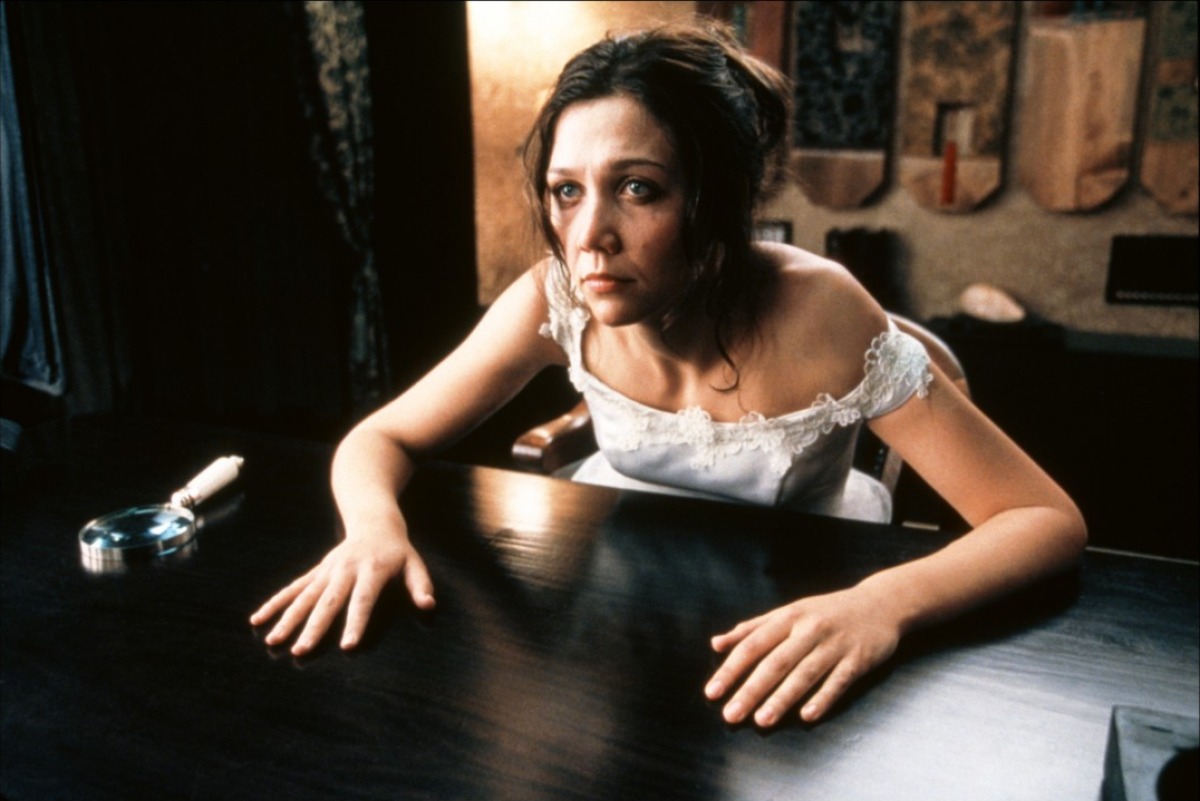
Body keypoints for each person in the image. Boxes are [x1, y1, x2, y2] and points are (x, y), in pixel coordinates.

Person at [250, 21, 1086, 729]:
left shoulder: (826, 314)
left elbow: (1043, 517)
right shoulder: (555, 297)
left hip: (798, 596)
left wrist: (880, 604)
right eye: (566, 191)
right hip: (620, 608)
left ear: (716, 198)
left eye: (637, 188)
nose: (590, 235)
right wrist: (371, 530)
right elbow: (382, 437)